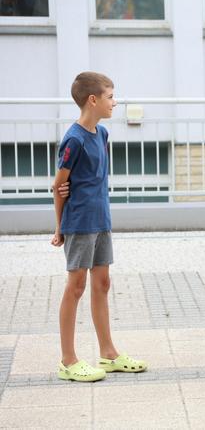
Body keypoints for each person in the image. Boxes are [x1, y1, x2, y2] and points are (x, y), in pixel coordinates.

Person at [51, 72, 147, 382]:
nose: (114, 102)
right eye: (110, 97)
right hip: (79, 223)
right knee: (75, 286)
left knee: (102, 284)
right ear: (93, 100)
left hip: (101, 220)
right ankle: (68, 360)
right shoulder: (73, 138)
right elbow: (59, 185)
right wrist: (58, 228)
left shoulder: (102, 134)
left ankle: (108, 354)